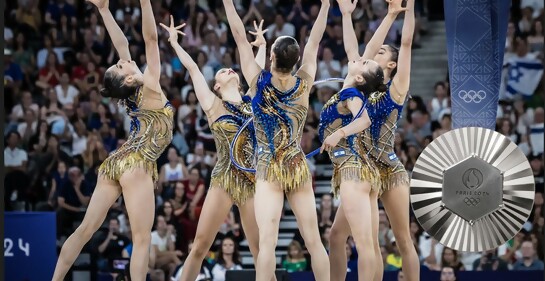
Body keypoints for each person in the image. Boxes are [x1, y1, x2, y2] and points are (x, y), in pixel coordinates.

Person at [51, 0, 173, 280]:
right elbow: (151, 38)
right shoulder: (151, 86)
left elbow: (123, 45)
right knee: (142, 240)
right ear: (128, 80)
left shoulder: (135, 88)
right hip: (137, 162)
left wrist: (104, 10)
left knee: (85, 228)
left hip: (116, 162)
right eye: (120, 65)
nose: (122, 58)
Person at [222, 0, 331, 280]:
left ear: (271, 56)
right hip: (295, 164)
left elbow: (238, 35)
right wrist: (326, 6)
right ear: (296, 60)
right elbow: (315, 41)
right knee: (314, 241)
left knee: (267, 243)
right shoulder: (304, 81)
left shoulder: (258, 81)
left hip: (268, 167)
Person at [159, 16, 272, 281]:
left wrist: (263, 45)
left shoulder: (251, 101)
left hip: (251, 180)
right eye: (222, 71)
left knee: (260, 250)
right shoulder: (213, 104)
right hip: (224, 177)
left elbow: (257, 70)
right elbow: (194, 69)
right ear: (217, 86)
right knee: (199, 246)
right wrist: (175, 43)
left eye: (232, 69)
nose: (229, 70)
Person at [328, 0, 419, 281]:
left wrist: (409, 6)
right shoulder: (362, 86)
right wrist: (388, 15)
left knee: (402, 239)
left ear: (390, 64)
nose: (372, 54)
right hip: (360, 168)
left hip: (388, 169)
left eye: (381, 53)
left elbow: (405, 43)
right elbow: (360, 52)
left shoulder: (397, 87)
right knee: (338, 236)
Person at [317, 12, 391, 279]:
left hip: (353, 170)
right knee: (338, 236)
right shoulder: (351, 88)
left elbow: (364, 119)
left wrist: (339, 134)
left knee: (364, 245)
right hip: (362, 171)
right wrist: (346, 14)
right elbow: (352, 48)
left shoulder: (351, 94)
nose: (358, 58)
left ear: (360, 78)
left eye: (363, 62)